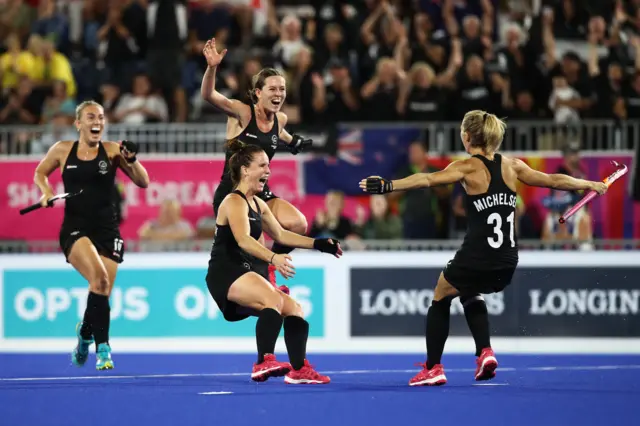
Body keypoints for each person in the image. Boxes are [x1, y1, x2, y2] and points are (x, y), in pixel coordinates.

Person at [359, 110, 607, 386]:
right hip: (508, 260)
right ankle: (485, 352)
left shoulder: (466, 168)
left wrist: (388, 185)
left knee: (441, 293)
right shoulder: (513, 166)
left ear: (467, 137)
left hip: (477, 255)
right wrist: (590, 184)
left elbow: (427, 180)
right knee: (469, 289)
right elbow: (553, 180)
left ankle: (433, 367)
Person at [206, 141, 341, 384]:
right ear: (245, 170)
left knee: (295, 309)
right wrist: (273, 258)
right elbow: (244, 240)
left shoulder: (258, 203)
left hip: (245, 272)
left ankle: (299, 370)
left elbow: (281, 235)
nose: (268, 171)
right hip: (226, 272)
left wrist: (319, 244)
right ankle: (262, 362)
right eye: (262, 165)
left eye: (269, 165)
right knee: (273, 300)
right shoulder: (233, 201)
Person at [33, 101, 150, 370]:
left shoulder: (111, 151)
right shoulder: (62, 150)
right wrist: (46, 192)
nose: (97, 121)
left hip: (107, 230)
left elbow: (143, 181)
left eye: (100, 117)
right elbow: (40, 172)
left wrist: (132, 161)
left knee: (101, 290)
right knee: (100, 279)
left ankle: (84, 335)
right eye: (90, 117)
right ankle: (104, 349)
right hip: (75, 228)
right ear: (78, 124)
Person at [200, 38, 312, 294]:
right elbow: (208, 95)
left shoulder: (279, 119)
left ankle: (268, 270)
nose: (279, 94)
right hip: (234, 194)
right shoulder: (242, 112)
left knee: (298, 224)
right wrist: (212, 68)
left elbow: (279, 134)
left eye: (282, 89)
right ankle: (267, 283)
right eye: (272, 89)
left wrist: (294, 141)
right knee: (255, 244)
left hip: (260, 191)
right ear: (258, 92)